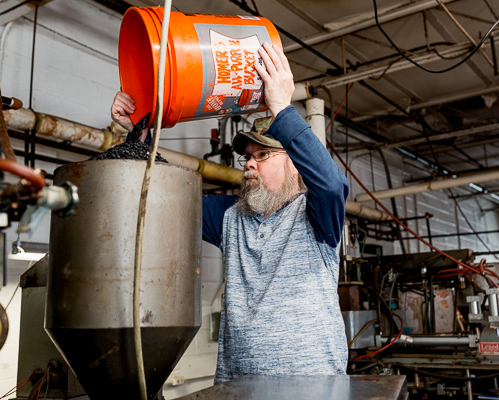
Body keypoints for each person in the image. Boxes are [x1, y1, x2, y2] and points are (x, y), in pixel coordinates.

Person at [112, 42, 349, 384]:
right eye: (247, 157)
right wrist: (136, 134)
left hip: (312, 386)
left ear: (296, 166)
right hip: (236, 387)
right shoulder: (231, 217)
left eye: (262, 156)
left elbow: (330, 185)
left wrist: (282, 106)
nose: (249, 164)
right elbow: (161, 199)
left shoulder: (315, 214)